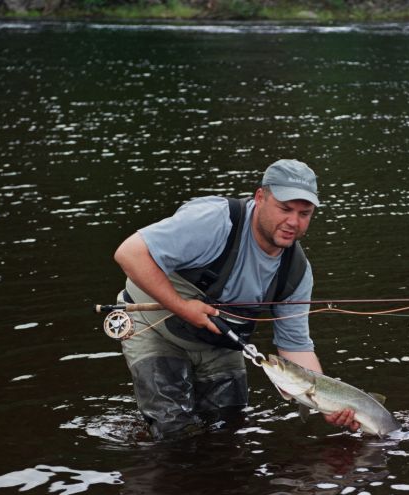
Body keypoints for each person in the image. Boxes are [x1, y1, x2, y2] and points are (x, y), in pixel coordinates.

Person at [113, 159, 358, 440]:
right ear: (260, 197)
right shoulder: (215, 221)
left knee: (229, 429)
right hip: (153, 329)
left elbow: (296, 346)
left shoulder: (296, 272)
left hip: (219, 343)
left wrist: (329, 404)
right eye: (285, 209)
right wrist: (183, 308)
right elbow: (129, 253)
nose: (293, 222)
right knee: (172, 430)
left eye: (305, 213)